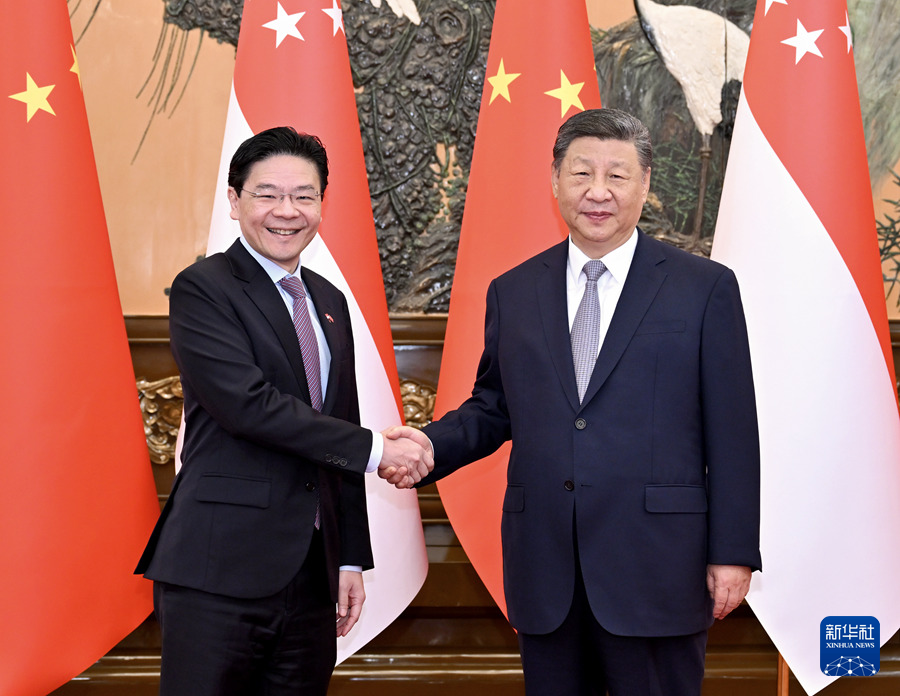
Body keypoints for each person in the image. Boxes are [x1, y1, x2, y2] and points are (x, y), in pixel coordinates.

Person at [390, 108, 761, 696]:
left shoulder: (703, 288)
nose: (598, 191)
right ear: (555, 180)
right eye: (582, 173)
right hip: (547, 570)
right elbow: (494, 406)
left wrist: (733, 552)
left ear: (644, 184)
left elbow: (733, 431)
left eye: (617, 175)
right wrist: (428, 446)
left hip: (659, 567)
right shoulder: (514, 290)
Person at [136, 126, 430, 696]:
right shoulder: (203, 288)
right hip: (218, 569)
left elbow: (339, 424)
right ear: (234, 200)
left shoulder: (328, 300)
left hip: (313, 576)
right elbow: (248, 407)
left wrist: (349, 559)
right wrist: (378, 450)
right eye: (267, 194)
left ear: (321, 204)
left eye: (304, 196)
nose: (287, 211)